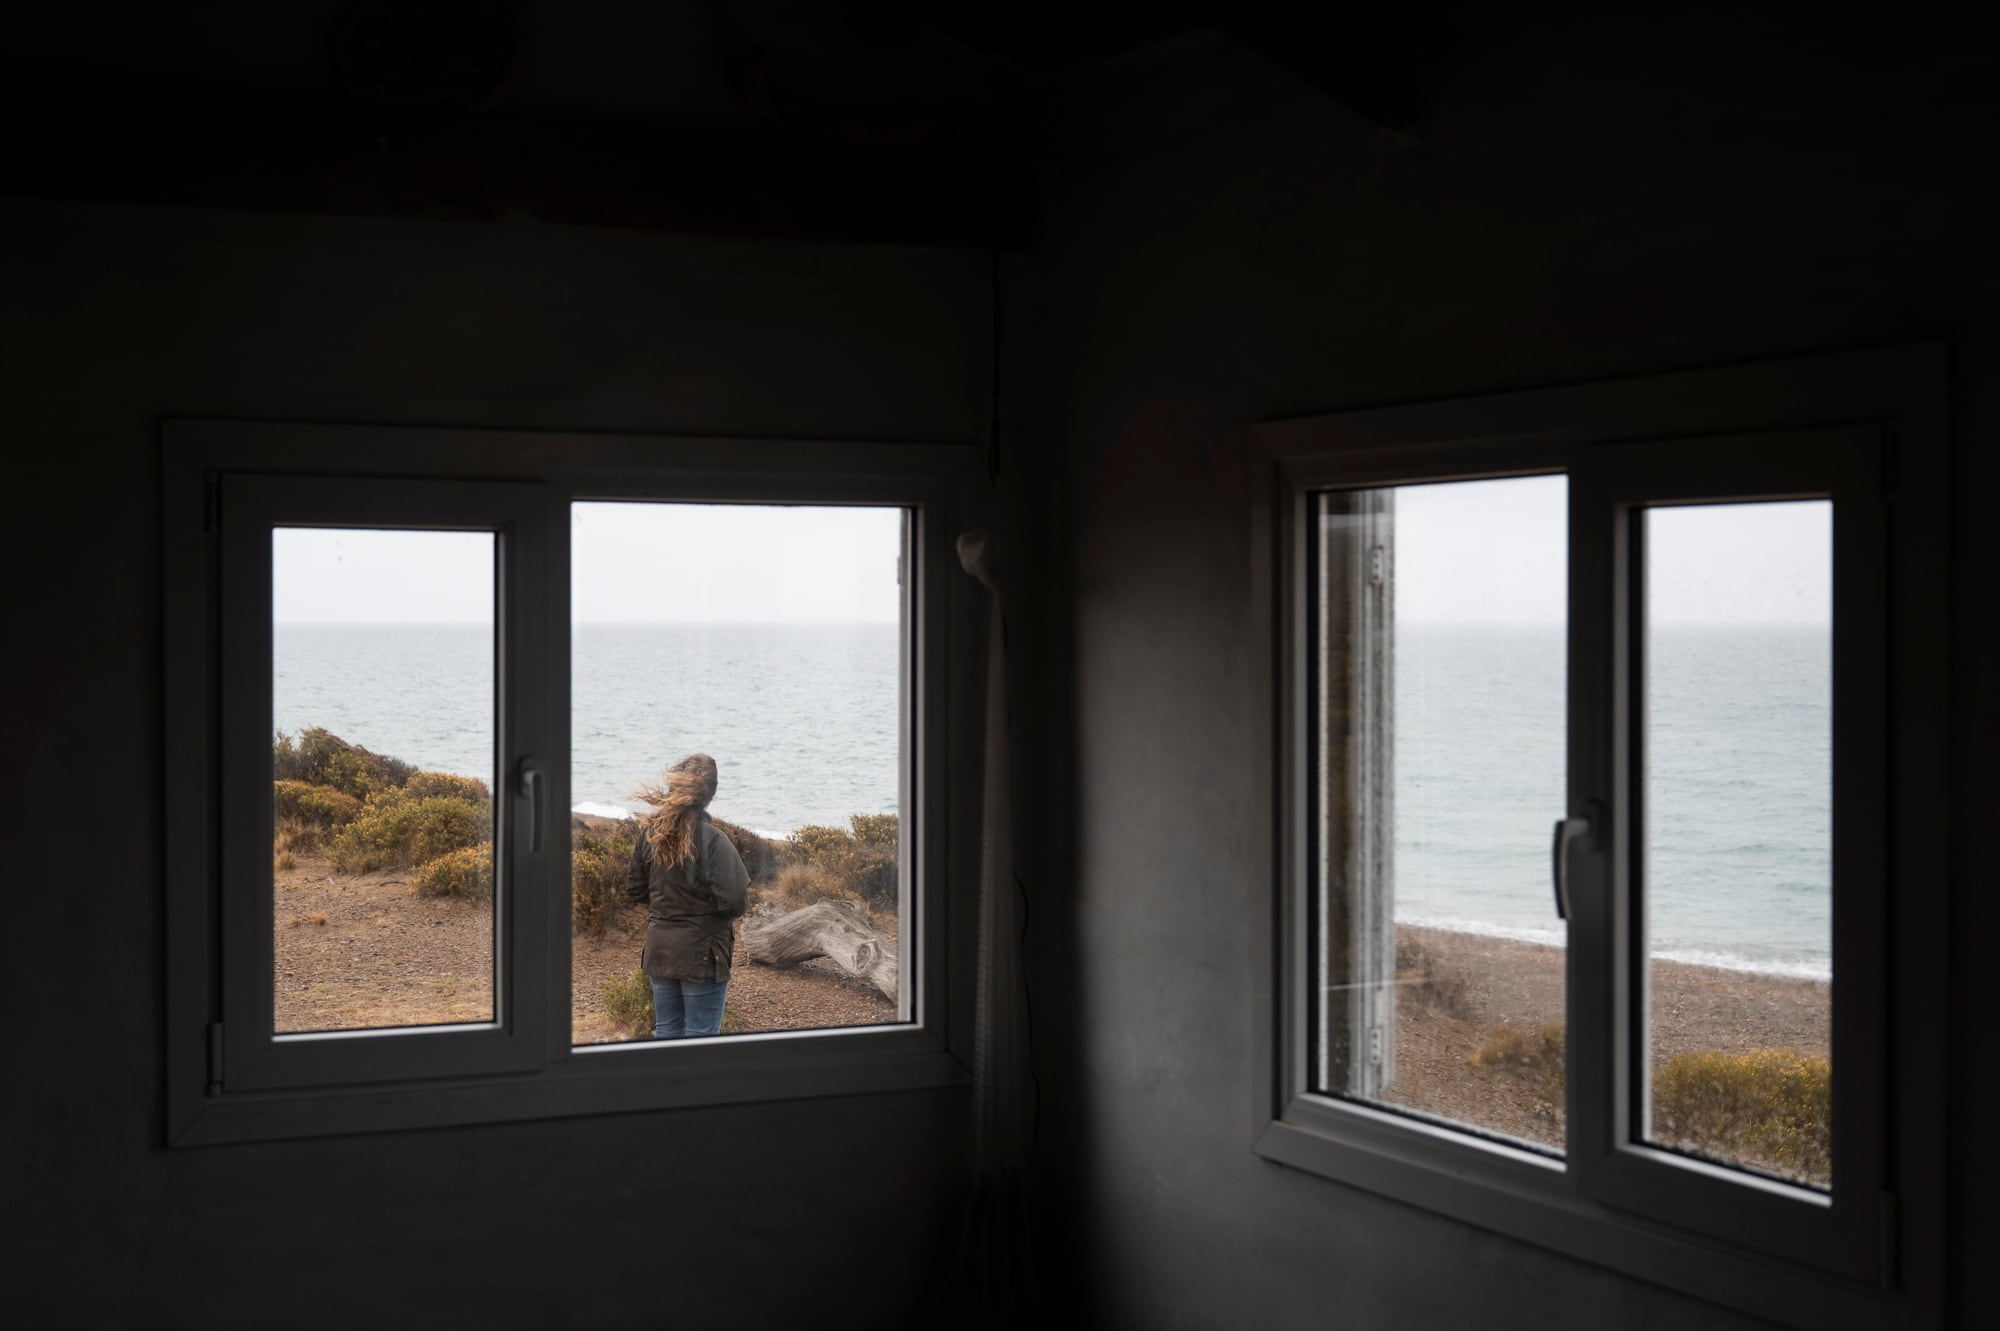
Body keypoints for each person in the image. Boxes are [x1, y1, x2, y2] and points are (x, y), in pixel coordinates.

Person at [624, 753, 750, 1039]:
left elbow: (635, 889)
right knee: (701, 1038)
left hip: (660, 948)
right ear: (710, 795)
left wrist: (668, 907)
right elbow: (736, 900)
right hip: (702, 953)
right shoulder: (714, 840)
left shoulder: (650, 835)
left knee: (666, 1033)